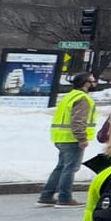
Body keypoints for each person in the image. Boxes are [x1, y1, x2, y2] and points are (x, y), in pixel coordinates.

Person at [39, 72, 99, 208]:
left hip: (61, 137)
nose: (95, 83)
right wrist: (82, 138)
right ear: (86, 83)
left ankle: (46, 196)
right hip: (72, 139)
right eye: (92, 80)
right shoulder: (82, 98)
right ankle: (64, 198)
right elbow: (78, 120)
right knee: (70, 168)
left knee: (61, 167)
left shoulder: (70, 96)